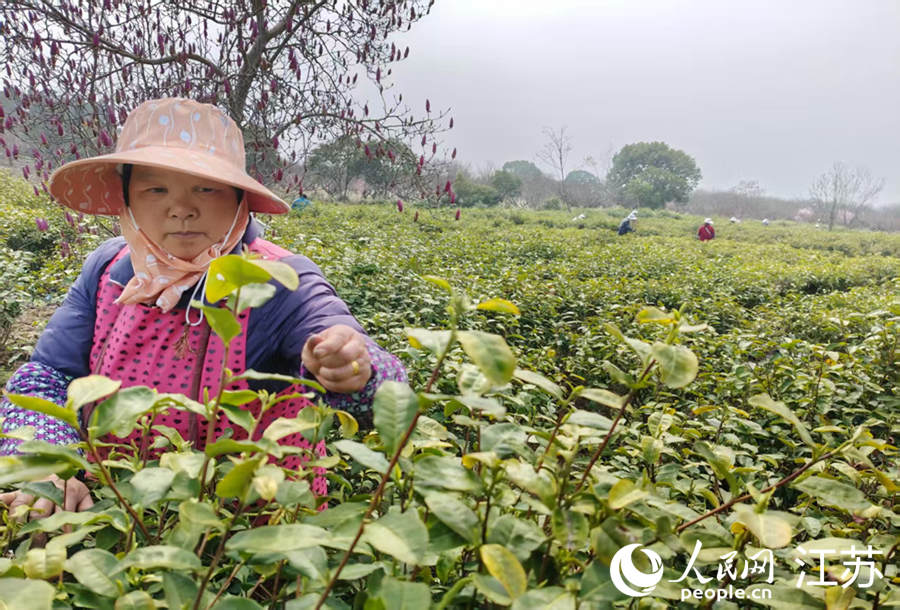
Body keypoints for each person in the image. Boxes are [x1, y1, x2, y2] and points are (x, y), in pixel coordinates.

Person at [0, 98, 407, 519]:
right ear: (127, 201)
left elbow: (369, 369)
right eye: (155, 189)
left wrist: (353, 366)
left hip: (245, 540)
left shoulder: (279, 279)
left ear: (239, 200)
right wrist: (47, 462)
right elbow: (47, 376)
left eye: (205, 188)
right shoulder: (109, 270)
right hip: (113, 515)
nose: (181, 208)